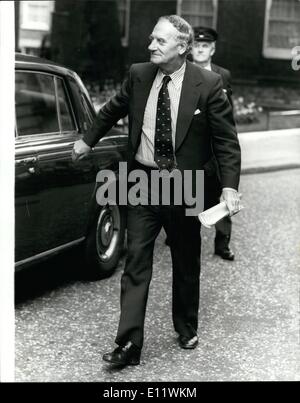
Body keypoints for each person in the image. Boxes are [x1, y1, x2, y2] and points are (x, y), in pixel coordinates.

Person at [72, 15, 241, 366]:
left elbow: (226, 141)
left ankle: (186, 325)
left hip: (184, 184)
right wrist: (87, 141)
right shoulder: (139, 74)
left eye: (160, 41)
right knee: (136, 260)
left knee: (185, 258)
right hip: (143, 181)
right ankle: (129, 344)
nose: (151, 46)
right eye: (151, 39)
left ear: (182, 47)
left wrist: (228, 188)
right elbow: (111, 110)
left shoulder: (207, 84)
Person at [192, 26, 235, 260]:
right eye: (196, 45)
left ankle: (222, 242)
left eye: (204, 46)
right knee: (188, 190)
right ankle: (182, 234)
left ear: (212, 49)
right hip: (191, 145)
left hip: (215, 146)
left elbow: (230, 113)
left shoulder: (222, 75)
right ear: (189, 48)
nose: (200, 49)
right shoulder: (182, 72)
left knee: (221, 192)